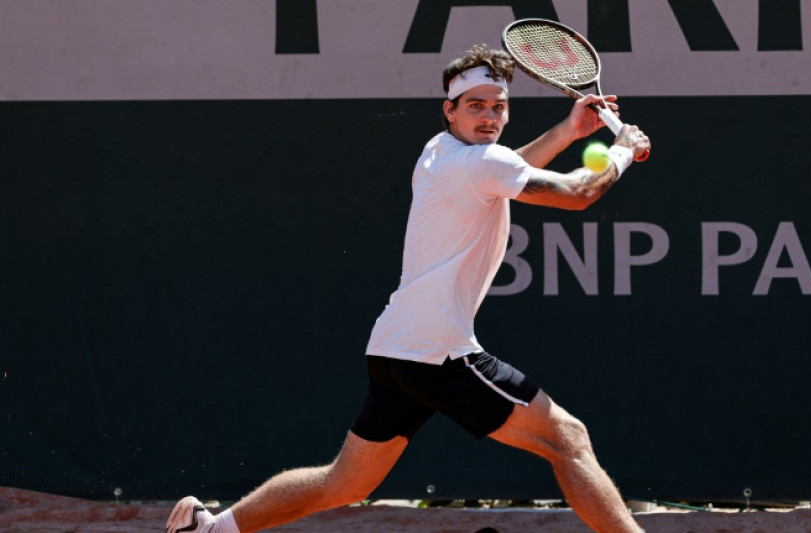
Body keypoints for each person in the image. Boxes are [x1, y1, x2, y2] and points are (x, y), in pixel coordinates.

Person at [166, 43, 651, 533]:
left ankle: (209, 528)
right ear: (451, 109)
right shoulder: (480, 163)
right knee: (569, 440)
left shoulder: (441, 151)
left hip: (396, 350)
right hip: (441, 353)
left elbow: (504, 169)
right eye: (476, 106)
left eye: (498, 106)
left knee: (345, 484)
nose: (489, 116)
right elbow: (578, 193)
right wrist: (622, 152)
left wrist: (569, 131)